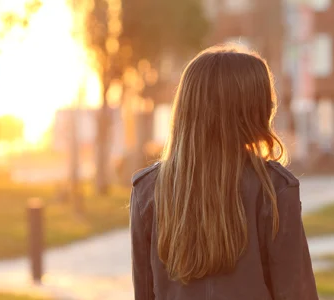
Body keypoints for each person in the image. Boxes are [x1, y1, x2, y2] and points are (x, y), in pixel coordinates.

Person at [130, 45, 318, 300]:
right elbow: (297, 294)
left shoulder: (148, 189)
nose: (271, 106)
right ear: (249, 110)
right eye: (264, 99)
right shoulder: (274, 188)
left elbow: (144, 293)